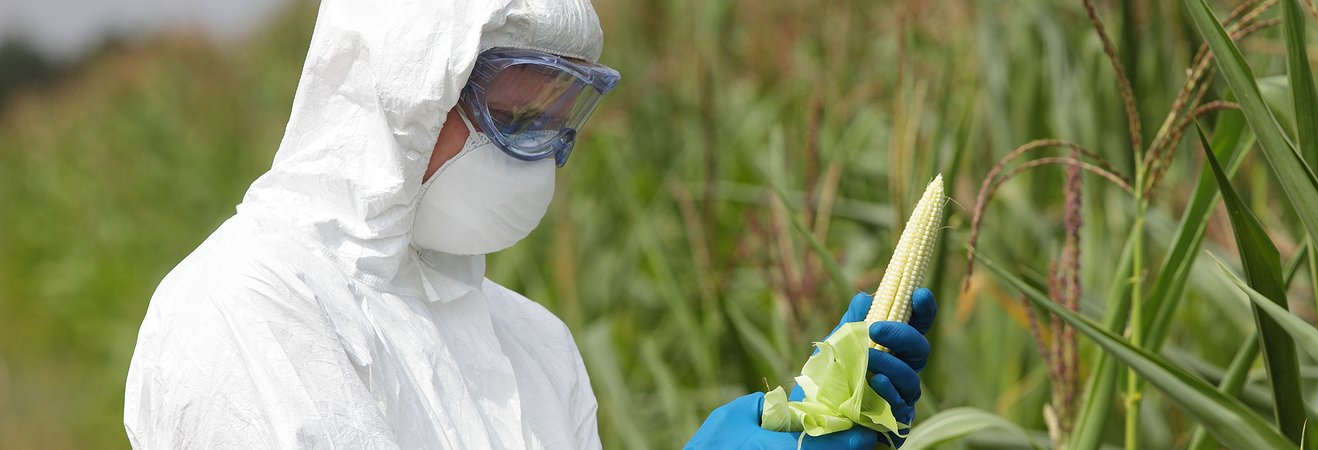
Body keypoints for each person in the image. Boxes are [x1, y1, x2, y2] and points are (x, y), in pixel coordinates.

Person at [121, 0, 934, 448]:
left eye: (561, 110)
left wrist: (812, 423)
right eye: (513, 109)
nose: (539, 149)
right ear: (400, 98)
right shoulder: (238, 310)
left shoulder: (531, 341)